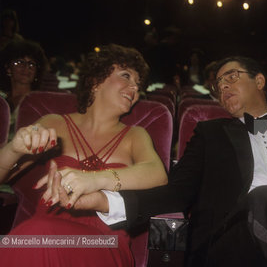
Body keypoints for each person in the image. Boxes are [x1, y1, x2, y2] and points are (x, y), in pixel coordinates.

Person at [50, 56, 267, 267]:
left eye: (231, 77)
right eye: (218, 84)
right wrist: (105, 199)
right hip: (231, 243)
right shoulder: (210, 134)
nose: (222, 86)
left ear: (259, 81)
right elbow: (173, 193)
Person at [0, 44, 168, 266]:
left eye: (138, 85)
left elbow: (157, 174)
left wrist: (94, 179)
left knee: (33, 238)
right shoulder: (53, 123)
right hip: (46, 233)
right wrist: (14, 149)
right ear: (95, 80)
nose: (134, 88)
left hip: (106, 242)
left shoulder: (135, 135)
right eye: (126, 76)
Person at [0, 39, 48, 140]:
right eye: (19, 62)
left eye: (31, 64)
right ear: (8, 68)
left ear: (36, 72)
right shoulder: (2, 100)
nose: (26, 68)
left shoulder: (42, 102)